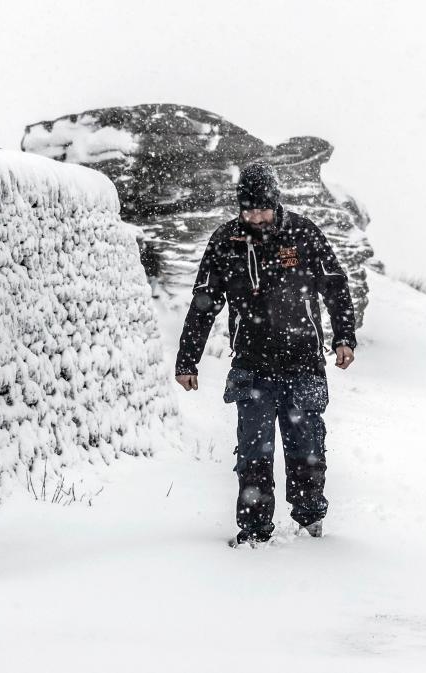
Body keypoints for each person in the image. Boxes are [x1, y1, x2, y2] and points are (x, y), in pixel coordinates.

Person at [174, 161, 357, 547]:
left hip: (303, 363)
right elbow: (204, 303)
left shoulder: (303, 234)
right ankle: (254, 531)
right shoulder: (225, 241)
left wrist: (344, 338)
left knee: (307, 451)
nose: (255, 216)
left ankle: (310, 521)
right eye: (248, 209)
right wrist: (187, 359)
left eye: (263, 208)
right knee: (254, 454)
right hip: (252, 368)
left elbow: (336, 287)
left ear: (277, 203)